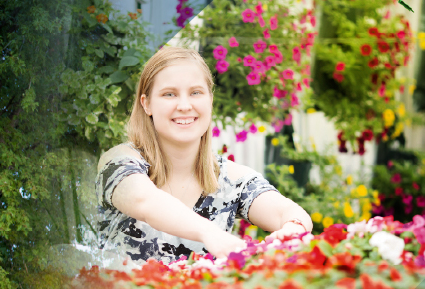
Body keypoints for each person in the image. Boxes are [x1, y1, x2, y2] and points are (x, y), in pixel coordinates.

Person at [95, 46, 313, 264]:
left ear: (210, 100)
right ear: (147, 104)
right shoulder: (119, 162)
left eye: (195, 93)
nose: (184, 105)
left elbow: (286, 210)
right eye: (169, 94)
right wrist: (211, 234)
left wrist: (294, 228)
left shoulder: (230, 178)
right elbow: (145, 201)